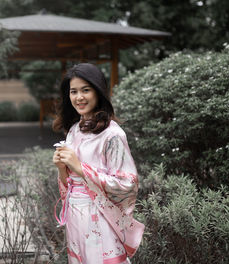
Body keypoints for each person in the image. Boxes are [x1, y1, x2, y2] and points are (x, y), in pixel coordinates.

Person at [52, 63, 144, 264]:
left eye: (86, 90)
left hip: (100, 217)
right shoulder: (74, 130)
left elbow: (127, 184)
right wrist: (62, 168)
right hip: (76, 217)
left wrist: (80, 168)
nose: (79, 97)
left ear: (98, 91)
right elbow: (68, 187)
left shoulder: (113, 134)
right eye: (73, 91)